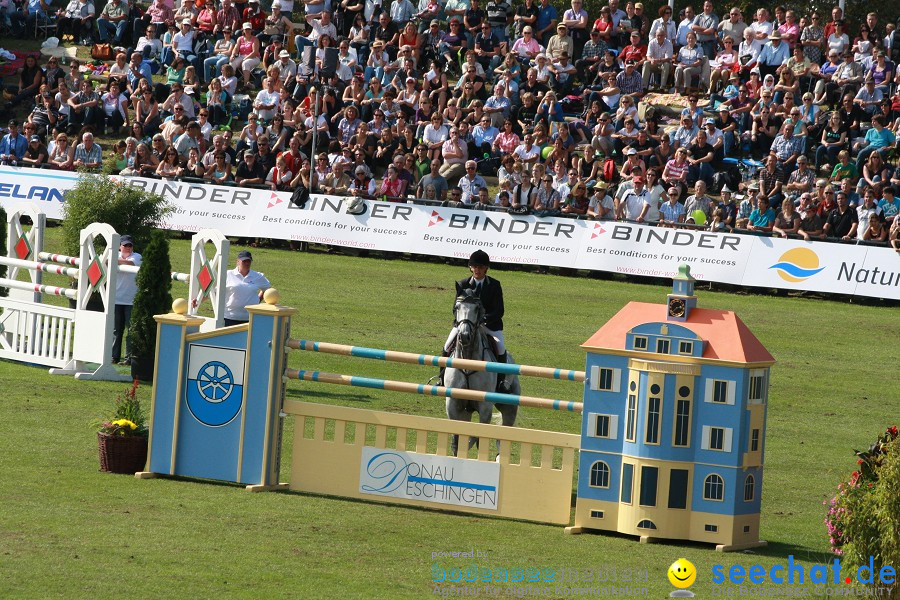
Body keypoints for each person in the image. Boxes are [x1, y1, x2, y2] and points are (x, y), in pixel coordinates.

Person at [440, 249, 510, 392]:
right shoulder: (463, 284)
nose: (477, 270)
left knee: (501, 348)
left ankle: (501, 382)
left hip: (488, 325)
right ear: (470, 267)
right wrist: (465, 320)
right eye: (475, 267)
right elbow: (455, 308)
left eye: (481, 267)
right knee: (447, 346)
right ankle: (441, 379)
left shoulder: (494, 285)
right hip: (465, 323)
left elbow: (499, 310)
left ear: (486, 268)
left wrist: (483, 319)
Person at [112, 235, 141, 365]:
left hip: (131, 300)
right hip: (116, 299)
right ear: (120, 246)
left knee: (130, 330)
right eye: (125, 245)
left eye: (130, 245)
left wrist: (114, 260)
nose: (128, 248)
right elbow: (105, 262)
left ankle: (128, 358)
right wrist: (113, 259)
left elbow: (130, 263)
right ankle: (114, 357)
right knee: (116, 331)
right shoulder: (114, 255)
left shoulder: (137, 256)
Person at [224, 250, 271, 326]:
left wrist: (258, 299)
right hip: (229, 317)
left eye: (249, 261)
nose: (247, 263)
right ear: (238, 262)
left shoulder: (257, 276)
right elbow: (216, 291)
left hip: (250, 318)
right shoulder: (227, 274)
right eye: (244, 261)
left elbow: (267, 289)